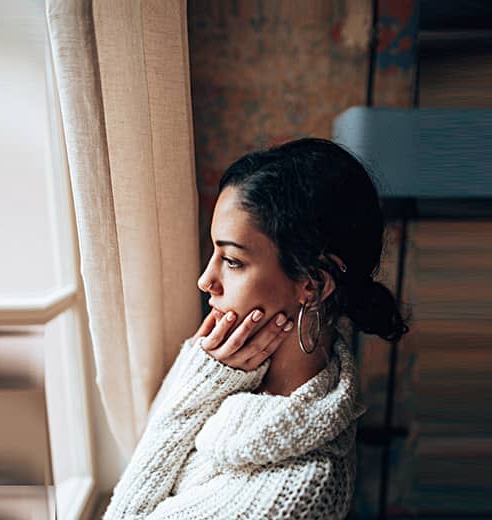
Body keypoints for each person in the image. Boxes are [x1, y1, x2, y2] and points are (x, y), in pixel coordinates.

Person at [103, 137, 409, 519]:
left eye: (231, 260)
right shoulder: (227, 367)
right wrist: (203, 375)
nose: (205, 280)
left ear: (311, 284)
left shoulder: (299, 492)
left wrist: (197, 383)